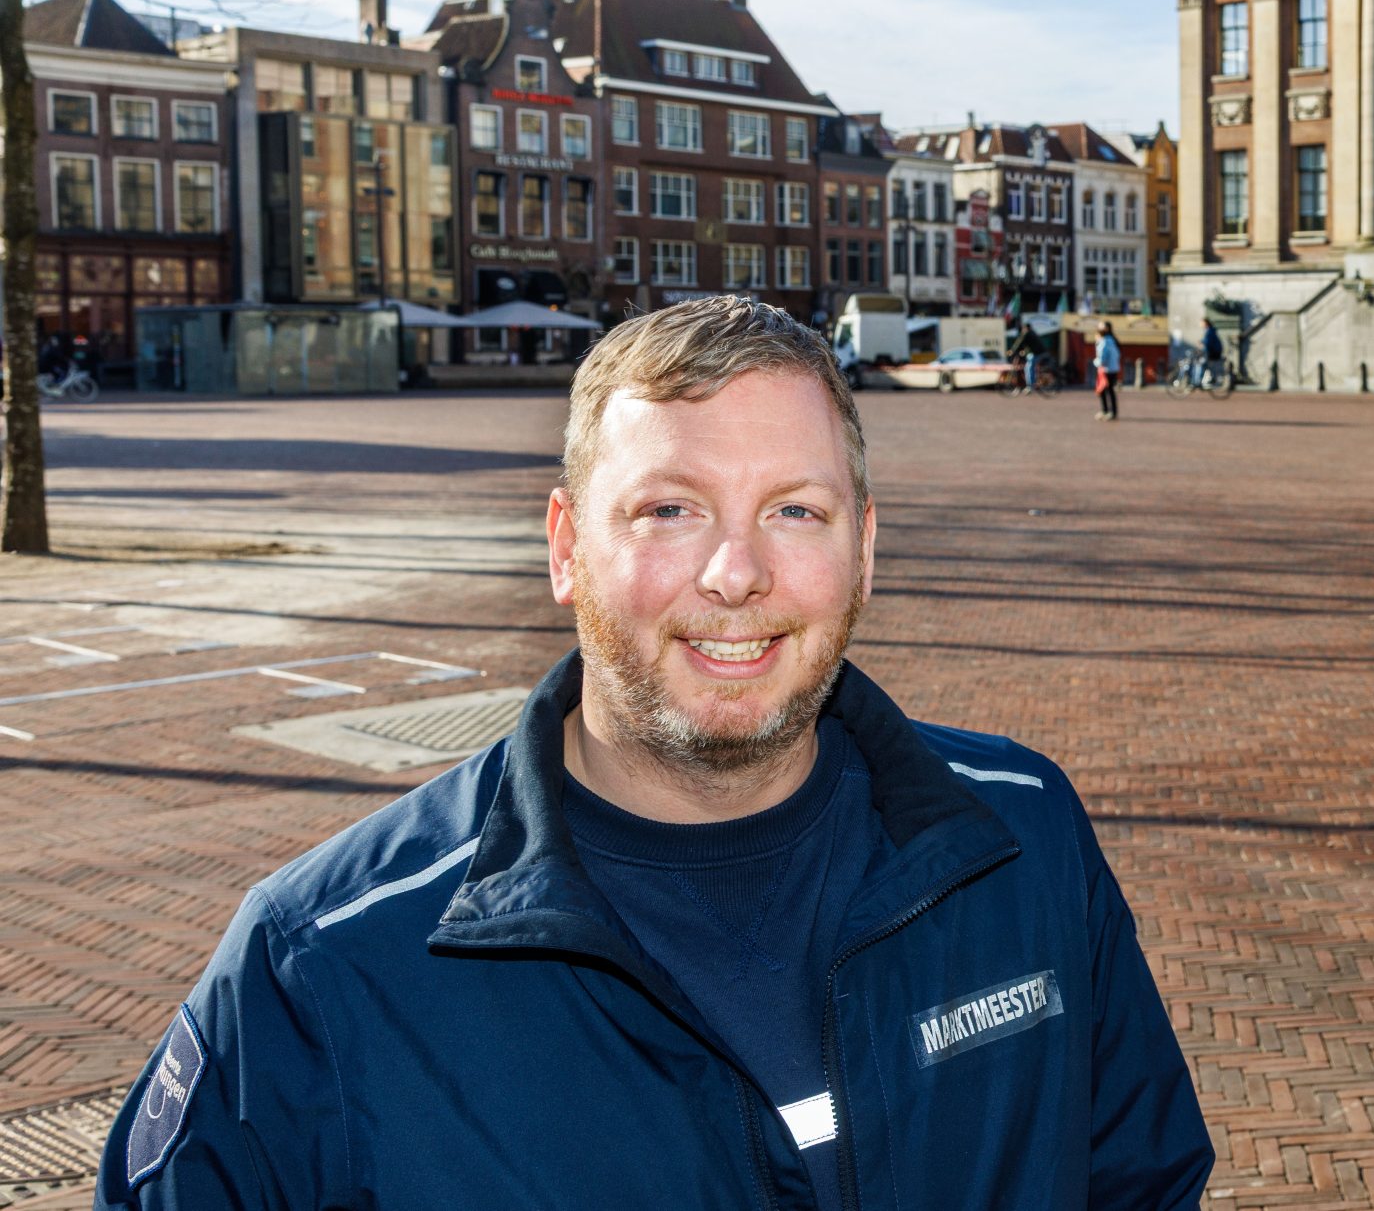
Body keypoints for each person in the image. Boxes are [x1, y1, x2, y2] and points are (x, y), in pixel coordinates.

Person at [94, 295, 1214, 1210]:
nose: (736, 573)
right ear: (566, 547)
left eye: (796, 511)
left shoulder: (1024, 840)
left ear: (865, 549)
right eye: (670, 509)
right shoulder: (322, 967)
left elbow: (1143, 1181)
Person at [1093, 321, 1122, 420]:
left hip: (1106, 369)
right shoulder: (1112, 340)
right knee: (1110, 391)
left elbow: (1102, 358)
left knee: (1104, 390)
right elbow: (1118, 354)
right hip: (1113, 368)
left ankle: (1107, 411)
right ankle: (1111, 411)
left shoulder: (1104, 341)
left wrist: (1096, 362)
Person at [1195, 318, 1224, 387]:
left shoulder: (1209, 331)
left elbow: (1208, 342)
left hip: (1213, 352)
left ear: (1205, 323)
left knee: (1202, 364)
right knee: (1205, 364)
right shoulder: (1210, 330)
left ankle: (1199, 381)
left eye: (1201, 323)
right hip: (1213, 351)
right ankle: (1210, 377)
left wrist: (1201, 343)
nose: (1200, 324)